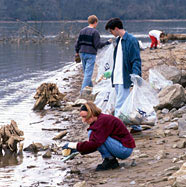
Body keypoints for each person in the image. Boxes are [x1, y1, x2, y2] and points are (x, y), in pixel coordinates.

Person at [62, 101, 135, 171]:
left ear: (92, 114)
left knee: (94, 135)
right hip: (122, 146)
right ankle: (110, 160)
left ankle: (110, 160)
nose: (83, 120)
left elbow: (95, 144)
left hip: (125, 149)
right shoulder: (99, 120)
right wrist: (78, 149)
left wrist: (74, 145)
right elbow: (94, 145)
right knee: (96, 136)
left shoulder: (102, 122)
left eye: (85, 117)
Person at [105, 18, 142, 133]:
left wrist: (135, 75)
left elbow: (136, 60)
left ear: (116, 29)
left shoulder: (131, 40)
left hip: (124, 77)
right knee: (126, 103)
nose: (111, 33)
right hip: (117, 77)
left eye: (111, 31)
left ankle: (117, 129)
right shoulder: (119, 41)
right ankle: (136, 126)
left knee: (120, 104)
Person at [75, 15, 111, 92]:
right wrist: (107, 43)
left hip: (82, 53)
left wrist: (77, 52)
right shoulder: (95, 32)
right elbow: (98, 45)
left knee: (86, 73)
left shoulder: (82, 31)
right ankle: (82, 92)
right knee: (88, 74)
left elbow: (77, 43)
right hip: (90, 54)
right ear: (95, 22)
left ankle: (91, 88)